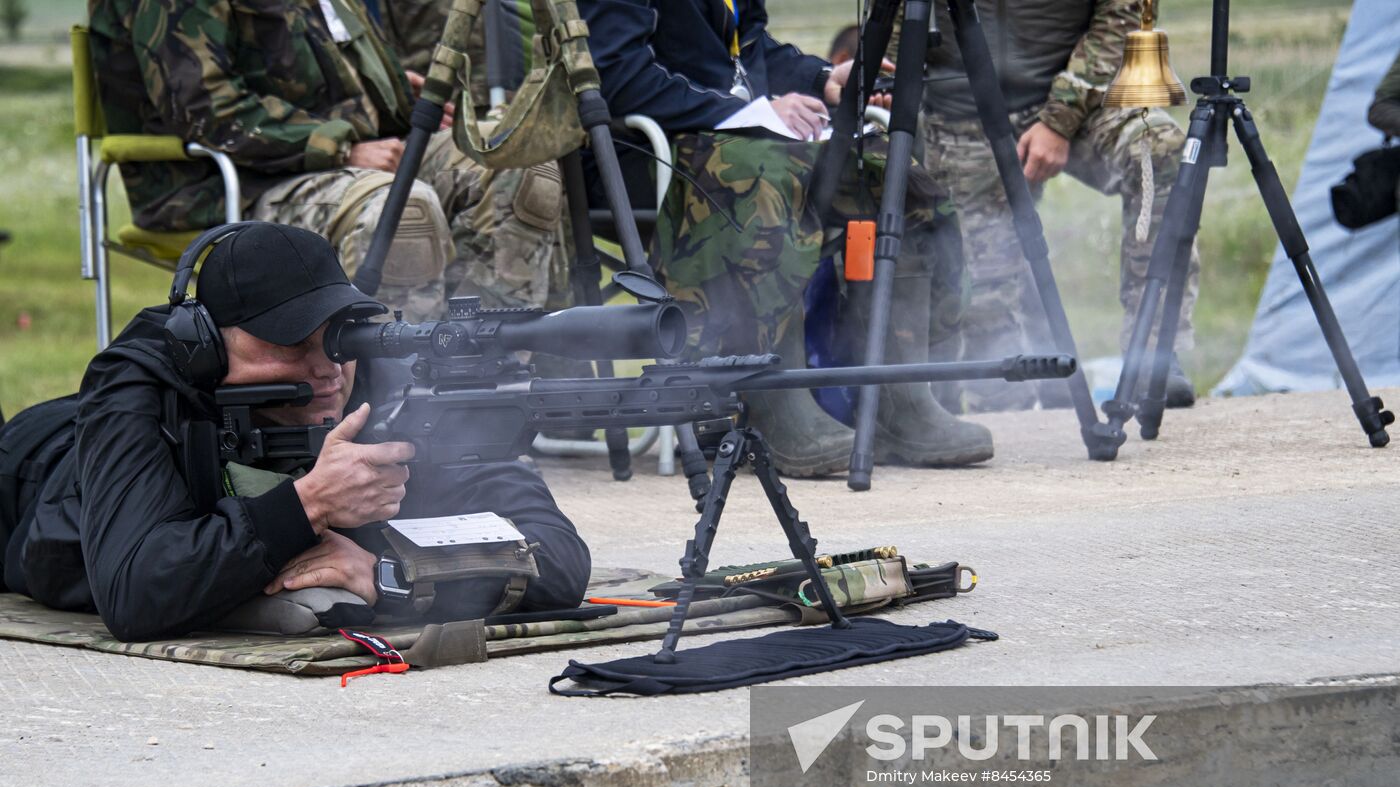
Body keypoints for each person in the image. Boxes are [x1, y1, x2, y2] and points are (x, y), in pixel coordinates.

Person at [0, 223, 590, 642]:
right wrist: (306, 506)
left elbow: (558, 559)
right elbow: (134, 591)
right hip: (31, 467)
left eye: (339, 336)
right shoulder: (144, 385)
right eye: (289, 342)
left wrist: (393, 577)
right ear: (206, 344)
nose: (327, 369)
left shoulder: (388, 393)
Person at [579, 0, 994, 477]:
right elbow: (618, 77)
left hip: (737, 135)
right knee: (760, 177)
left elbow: (745, 55)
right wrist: (748, 111)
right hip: (641, 152)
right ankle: (773, 404)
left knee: (890, 172)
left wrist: (820, 79)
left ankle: (898, 398)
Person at [88, 0, 569, 319]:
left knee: (518, 167)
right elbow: (201, 106)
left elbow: (304, 62)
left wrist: (391, 90)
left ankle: (488, 381)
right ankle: (398, 408)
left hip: (346, 161)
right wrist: (338, 147)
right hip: (228, 182)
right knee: (403, 209)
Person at [919, 0, 1199, 412]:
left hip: (1080, 96)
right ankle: (1003, 408)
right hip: (961, 112)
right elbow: (892, 24)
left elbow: (1121, 14)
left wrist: (1059, 118)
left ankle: (1154, 356)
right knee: (983, 304)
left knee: (1160, 153)